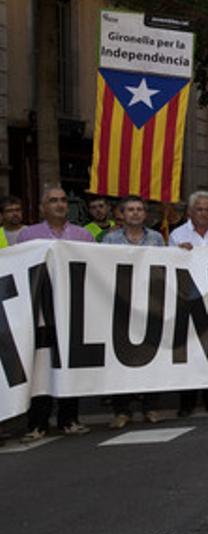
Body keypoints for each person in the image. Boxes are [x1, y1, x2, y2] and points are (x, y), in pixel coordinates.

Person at [16, 187, 95, 441]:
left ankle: (69, 418)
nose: (60, 205)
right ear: (42, 207)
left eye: (63, 200)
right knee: (40, 366)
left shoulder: (83, 235)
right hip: (40, 312)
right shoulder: (28, 235)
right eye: (53, 201)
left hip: (73, 311)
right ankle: (37, 422)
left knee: (69, 364)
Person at [102, 195, 166, 428]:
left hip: (149, 306)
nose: (135, 213)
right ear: (122, 214)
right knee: (121, 361)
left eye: (139, 209)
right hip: (120, 307)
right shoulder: (110, 240)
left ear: (145, 214)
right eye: (130, 209)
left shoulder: (157, 239)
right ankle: (122, 410)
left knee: (150, 357)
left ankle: (151, 407)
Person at [169, 190, 208, 416]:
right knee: (188, 350)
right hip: (188, 297)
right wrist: (178, 254)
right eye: (199, 209)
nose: (204, 213)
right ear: (190, 211)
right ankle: (187, 400)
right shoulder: (177, 234)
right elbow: (169, 266)